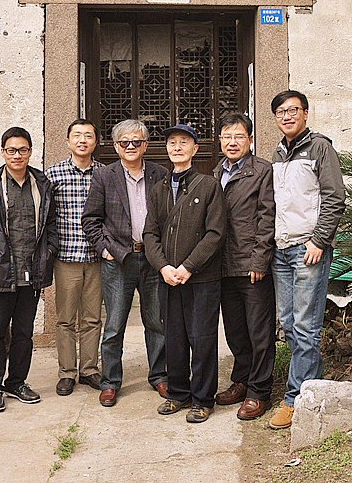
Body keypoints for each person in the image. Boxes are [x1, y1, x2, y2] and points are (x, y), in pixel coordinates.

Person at [0, 127, 58, 413]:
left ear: (30, 151)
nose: (17, 155)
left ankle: (17, 382)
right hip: (1, 273)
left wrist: (50, 251)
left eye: (23, 150)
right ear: (3, 152)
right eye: (12, 150)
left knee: (24, 334)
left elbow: (52, 223)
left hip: (32, 273)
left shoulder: (42, 184)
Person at [268, 91, 345, 430]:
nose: (287, 116)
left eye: (293, 110)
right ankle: (314, 384)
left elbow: (335, 197)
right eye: (280, 112)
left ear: (305, 113)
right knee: (289, 322)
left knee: (305, 325)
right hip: (281, 249)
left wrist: (319, 240)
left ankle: (294, 398)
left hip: (308, 249)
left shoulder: (320, 148)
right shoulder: (278, 153)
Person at [144, 124, 227, 423]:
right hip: (168, 278)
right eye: (172, 142)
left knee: (202, 339)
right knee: (174, 337)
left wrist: (188, 266)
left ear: (195, 149)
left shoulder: (209, 186)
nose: (177, 147)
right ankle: (178, 392)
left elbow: (215, 233)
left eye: (183, 142)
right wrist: (163, 266)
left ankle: (203, 398)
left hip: (201, 278)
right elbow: (150, 233)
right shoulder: (158, 189)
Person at [82, 119, 167, 407]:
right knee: (114, 325)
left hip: (153, 259)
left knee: (156, 322)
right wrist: (106, 250)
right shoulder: (105, 176)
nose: (131, 146)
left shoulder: (160, 173)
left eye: (136, 141)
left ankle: (160, 375)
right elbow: (91, 220)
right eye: (124, 142)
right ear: (116, 146)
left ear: (145, 144)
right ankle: (110, 382)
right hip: (118, 260)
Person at [213, 113, 276, 420]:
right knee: (235, 330)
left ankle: (259, 391)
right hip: (223, 265)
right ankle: (241, 380)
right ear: (220, 140)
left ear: (250, 139)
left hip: (251, 264)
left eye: (239, 136)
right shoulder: (216, 172)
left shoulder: (262, 170)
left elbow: (267, 217)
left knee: (259, 332)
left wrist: (260, 259)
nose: (232, 142)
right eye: (227, 136)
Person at [46, 119, 103, 396]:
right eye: (77, 135)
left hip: (97, 257)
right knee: (66, 319)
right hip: (66, 257)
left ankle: (89, 369)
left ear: (96, 141)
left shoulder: (105, 173)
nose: (83, 140)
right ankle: (67, 372)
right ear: (68, 141)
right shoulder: (52, 174)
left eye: (88, 136)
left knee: (93, 318)